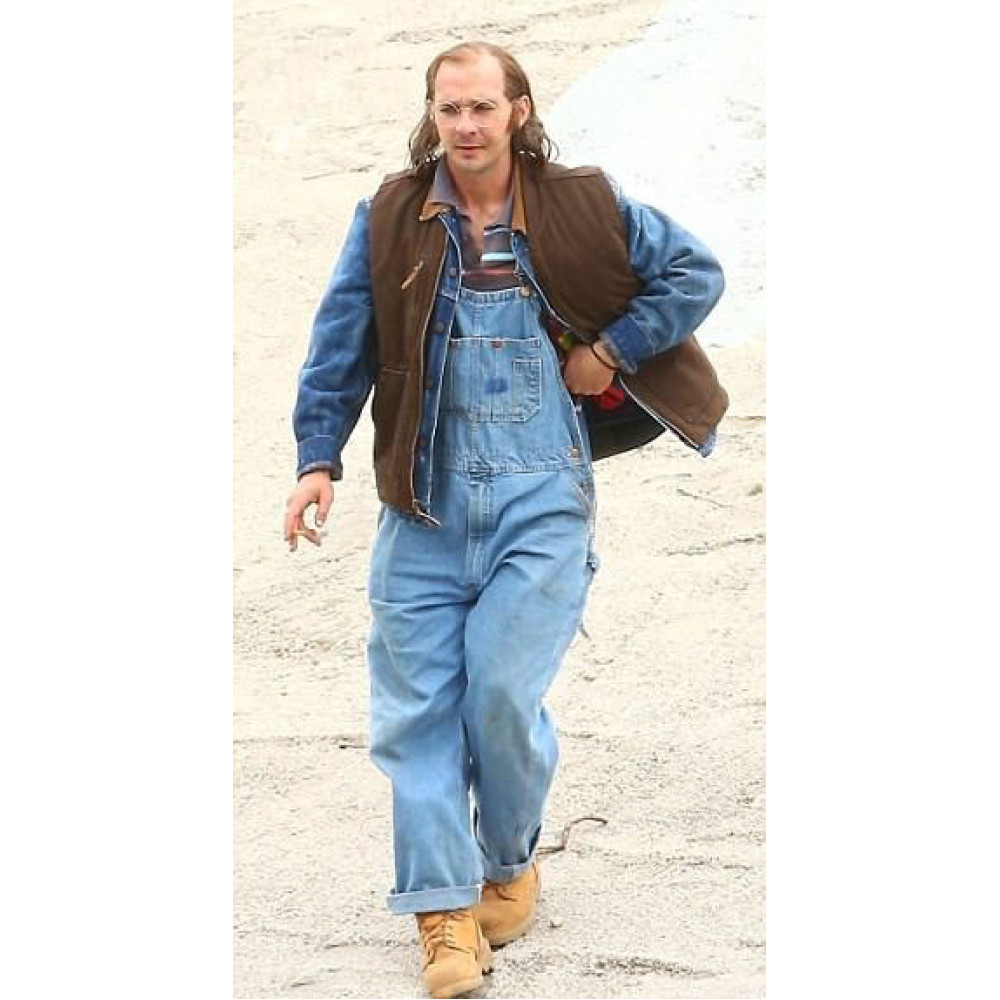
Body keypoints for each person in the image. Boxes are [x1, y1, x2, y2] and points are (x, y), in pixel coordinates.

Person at [284, 40, 727, 1000]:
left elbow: (694, 273)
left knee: (498, 698)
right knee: (415, 714)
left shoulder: (584, 203)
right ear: (433, 115)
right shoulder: (390, 217)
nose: (467, 126)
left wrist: (613, 348)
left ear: (518, 110)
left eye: (483, 107)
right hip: (423, 501)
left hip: (542, 498)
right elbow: (340, 345)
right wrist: (317, 460)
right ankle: (443, 917)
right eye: (450, 109)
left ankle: (509, 863)